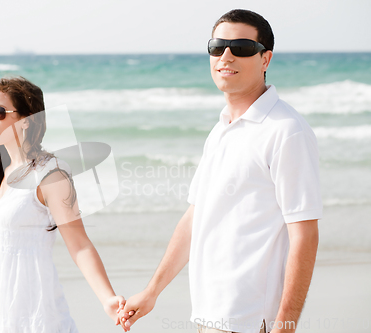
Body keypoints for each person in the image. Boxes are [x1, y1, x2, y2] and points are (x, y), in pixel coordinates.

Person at [119, 9, 322, 333]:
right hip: (209, 315)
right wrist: (152, 290)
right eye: (217, 47)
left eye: (241, 47)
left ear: (265, 59)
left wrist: (285, 325)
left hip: (252, 320)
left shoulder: (286, 130)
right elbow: (196, 216)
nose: (226, 56)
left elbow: (304, 235)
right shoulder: (222, 129)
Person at [0, 76, 126, 333]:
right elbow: (0, 248)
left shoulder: (50, 174)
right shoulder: (1, 173)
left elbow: (79, 244)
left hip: (34, 316)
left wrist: (107, 298)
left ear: (26, 121)